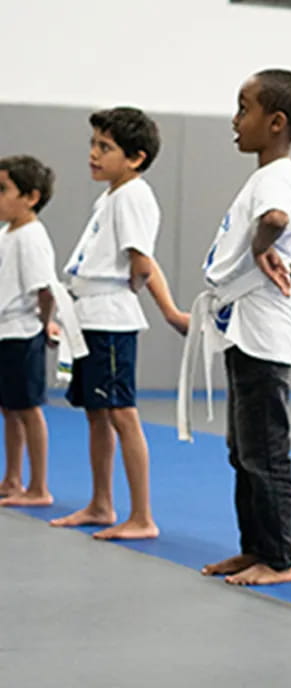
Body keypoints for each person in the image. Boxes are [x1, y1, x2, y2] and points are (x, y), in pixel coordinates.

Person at [195, 69, 291, 586]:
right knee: (244, 449)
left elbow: (273, 220)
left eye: (243, 108)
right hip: (246, 325)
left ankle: (278, 559)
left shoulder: (276, 177)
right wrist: (274, 258)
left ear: (276, 122)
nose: (235, 119)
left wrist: (259, 246)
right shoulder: (268, 174)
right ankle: (254, 548)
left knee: (265, 451)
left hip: (264, 332)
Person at [50, 107, 163, 540]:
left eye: (105, 147)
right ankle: (101, 503)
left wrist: (167, 310)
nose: (94, 154)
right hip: (89, 315)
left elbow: (142, 263)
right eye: (93, 145)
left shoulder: (133, 195)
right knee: (97, 413)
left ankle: (142, 515)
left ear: (135, 157)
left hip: (111, 316)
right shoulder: (112, 195)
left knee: (121, 412)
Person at [0, 156, 57, 508]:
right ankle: (13, 476)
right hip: (5, 331)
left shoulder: (32, 236)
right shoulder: (7, 232)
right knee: (9, 407)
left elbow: (44, 290)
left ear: (31, 197)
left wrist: (44, 321)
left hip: (23, 331)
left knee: (28, 408)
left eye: (3, 190)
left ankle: (38, 485)